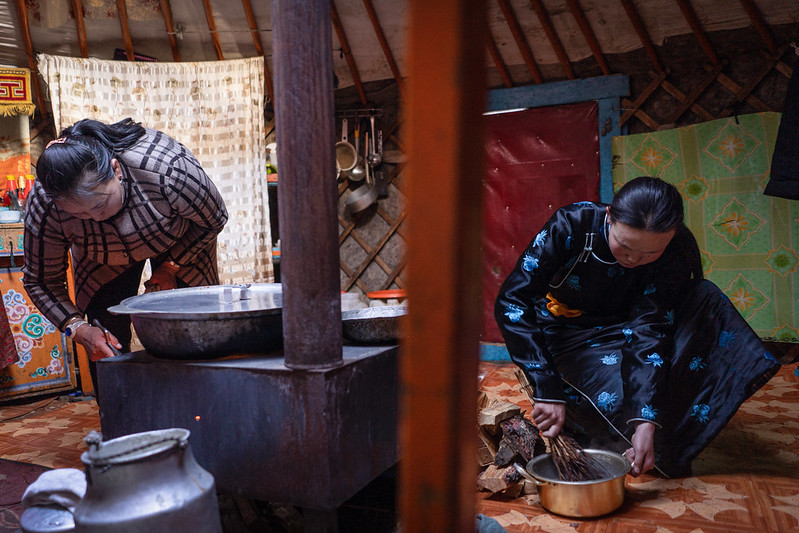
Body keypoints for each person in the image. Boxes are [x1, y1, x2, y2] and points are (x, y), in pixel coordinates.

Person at [495, 176, 780, 478]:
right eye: (625, 246)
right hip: (568, 336)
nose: (633, 260)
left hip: (631, 331)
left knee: (706, 299)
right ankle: (644, 433)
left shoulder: (675, 250)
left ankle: (659, 434)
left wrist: (644, 421)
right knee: (618, 400)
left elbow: (649, 330)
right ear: (609, 217)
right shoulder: (573, 224)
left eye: (650, 254)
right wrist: (545, 386)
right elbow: (513, 300)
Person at [24, 118, 228, 394]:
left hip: (181, 242)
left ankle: (201, 407)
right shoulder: (46, 201)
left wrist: (170, 267)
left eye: (100, 204)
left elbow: (213, 219)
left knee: (193, 330)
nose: (97, 217)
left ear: (116, 170)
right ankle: (119, 419)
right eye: (80, 215)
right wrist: (79, 330)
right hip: (101, 259)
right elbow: (41, 281)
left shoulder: (166, 167)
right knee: (105, 339)